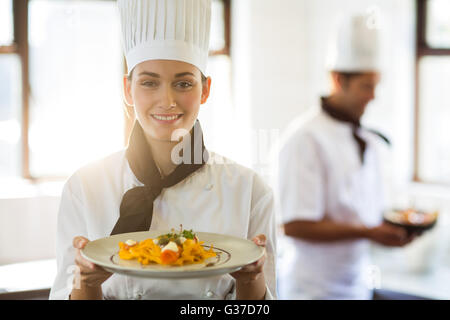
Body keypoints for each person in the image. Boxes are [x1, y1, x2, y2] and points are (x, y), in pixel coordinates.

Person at [49, 0, 276, 300]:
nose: (167, 100)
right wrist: (87, 283)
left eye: (183, 83)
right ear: (127, 90)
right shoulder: (84, 186)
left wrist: (252, 279)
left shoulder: (250, 190)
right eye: (148, 83)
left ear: (205, 89)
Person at [276, 12, 415, 300]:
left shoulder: (366, 139)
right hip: (312, 290)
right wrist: (369, 232)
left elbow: (363, 213)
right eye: (367, 86)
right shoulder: (304, 138)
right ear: (338, 80)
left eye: (376, 85)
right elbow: (295, 225)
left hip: (356, 285)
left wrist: (395, 227)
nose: (373, 96)